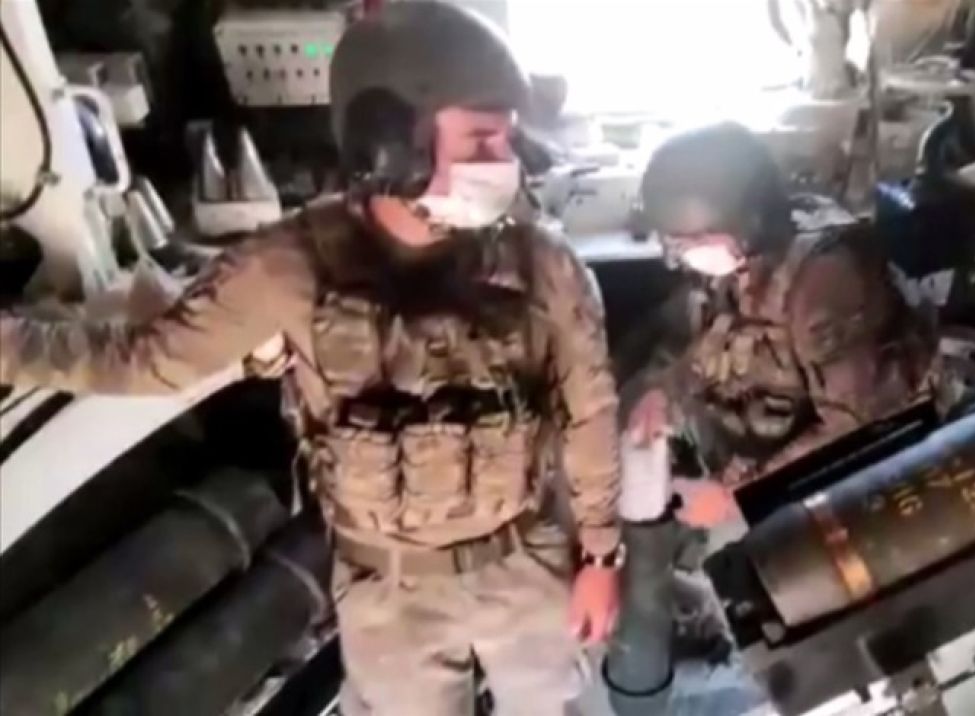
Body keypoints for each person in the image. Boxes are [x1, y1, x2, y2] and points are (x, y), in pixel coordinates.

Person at [0, 4, 622, 715]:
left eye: (506, 139)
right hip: (390, 593)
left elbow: (591, 413)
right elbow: (149, 359)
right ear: (391, 145)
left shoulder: (543, 264)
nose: (503, 164)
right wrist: (10, 348)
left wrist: (601, 556)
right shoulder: (290, 266)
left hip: (525, 563)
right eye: (481, 140)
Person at [620, 122, 934, 527]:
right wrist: (666, 391)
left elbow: (853, 425)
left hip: (848, 469)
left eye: (692, 244)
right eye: (676, 245)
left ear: (746, 224)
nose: (682, 258)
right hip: (766, 430)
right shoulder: (737, 259)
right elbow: (711, 336)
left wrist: (737, 497)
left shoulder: (824, 285)